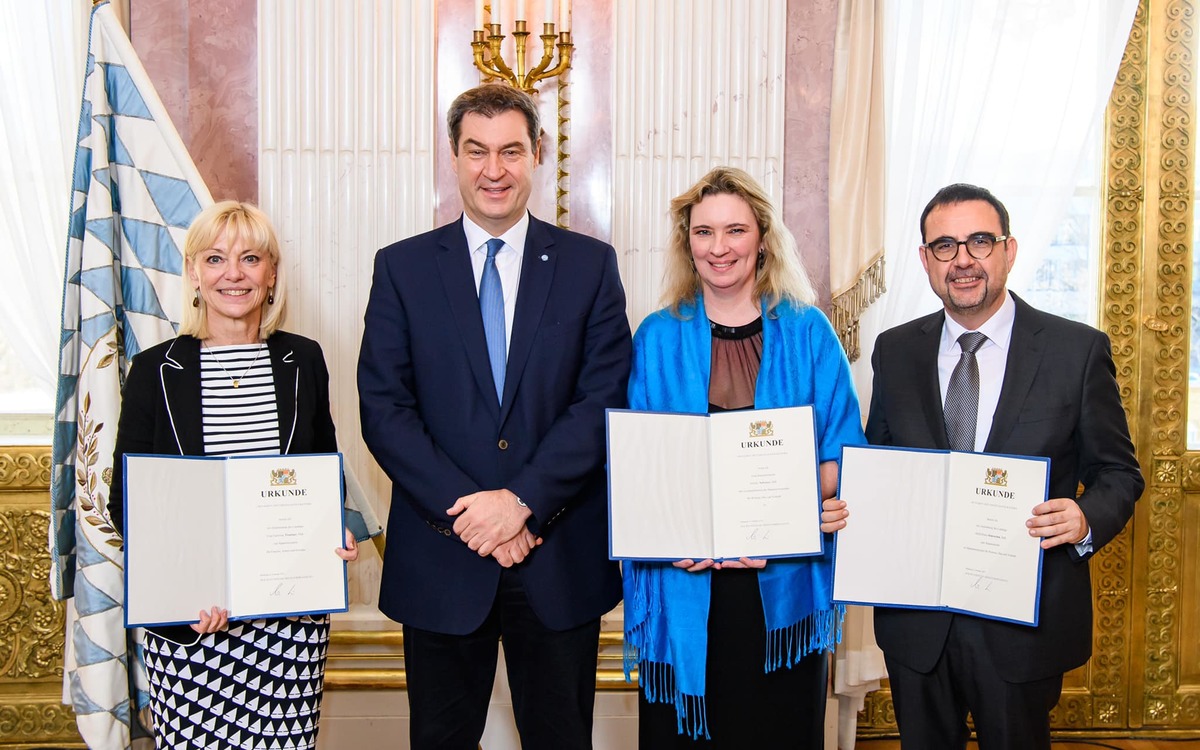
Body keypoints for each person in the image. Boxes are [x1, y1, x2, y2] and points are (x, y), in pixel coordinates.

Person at [357, 83, 631, 750]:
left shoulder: (590, 266)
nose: (494, 170)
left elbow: (603, 400)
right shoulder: (402, 269)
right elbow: (384, 410)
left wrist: (524, 504)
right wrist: (476, 513)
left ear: (537, 153)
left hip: (556, 554)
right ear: (453, 156)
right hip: (443, 558)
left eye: (511, 151)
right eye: (477, 151)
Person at [858, 183, 1144, 749]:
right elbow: (881, 466)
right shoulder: (896, 351)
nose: (962, 260)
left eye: (979, 241)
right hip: (918, 621)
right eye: (944, 246)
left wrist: (1084, 519)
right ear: (925, 261)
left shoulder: (1075, 351)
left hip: (1023, 621)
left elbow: (1119, 472)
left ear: (1009, 251)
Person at [110, 200, 371, 749]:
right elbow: (128, 504)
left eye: (250, 258)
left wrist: (335, 530)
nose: (234, 273)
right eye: (216, 258)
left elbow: (323, 473)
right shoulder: (155, 370)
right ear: (194, 274)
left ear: (271, 273)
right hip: (193, 625)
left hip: (288, 627)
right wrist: (186, 585)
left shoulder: (304, 361)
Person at [622, 166, 865, 747]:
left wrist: (784, 521)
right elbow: (639, 464)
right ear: (688, 243)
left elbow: (840, 452)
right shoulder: (656, 336)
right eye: (703, 232)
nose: (719, 247)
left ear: (763, 237)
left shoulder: (810, 333)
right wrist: (670, 532)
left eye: (735, 230)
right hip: (683, 580)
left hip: (779, 585)